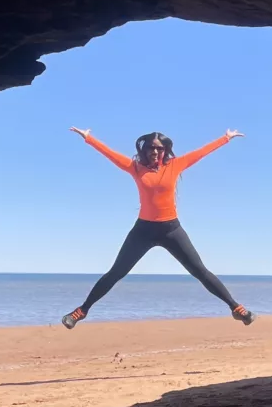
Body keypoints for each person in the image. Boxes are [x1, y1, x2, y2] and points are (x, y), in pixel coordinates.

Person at [61, 126, 256, 329]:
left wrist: (225, 138)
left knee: (200, 271)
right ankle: (81, 311)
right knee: (116, 273)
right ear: (145, 150)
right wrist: (89, 138)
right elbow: (111, 154)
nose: (155, 152)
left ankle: (236, 308)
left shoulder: (175, 165)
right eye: (151, 148)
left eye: (159, 148)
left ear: (165, 150)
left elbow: (201, 153)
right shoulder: (135, 167)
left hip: (171, 230)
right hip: (143, 231)